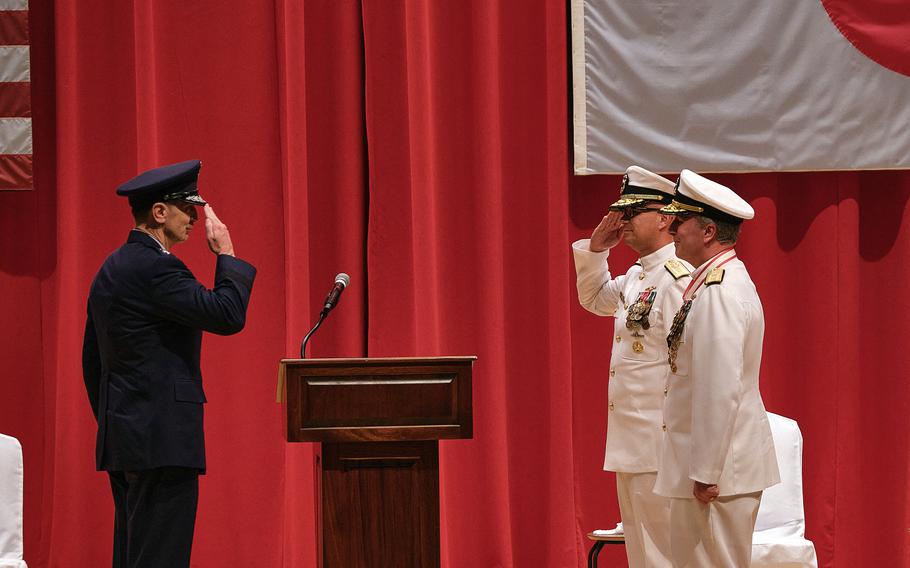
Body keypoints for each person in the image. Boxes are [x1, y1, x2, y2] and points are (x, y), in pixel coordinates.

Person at [82, 159, 257, 568]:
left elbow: (93, 361)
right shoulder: (157, 267)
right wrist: (226, 255)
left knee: (135, 554)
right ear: (159, 212)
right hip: (161, 441)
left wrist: (118, 420)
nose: (196, 218)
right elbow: (226, 315)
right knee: (161, 557)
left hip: (128, 439)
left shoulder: (113, 267)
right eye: (187, 207)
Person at [654, 169, 779, 567]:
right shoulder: (710, 285)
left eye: (680, 221)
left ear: (708, 232)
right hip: (713, 467)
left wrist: (706, 470)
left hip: (717, 473)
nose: (672, 230)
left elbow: (718, 387)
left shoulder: (720, 293)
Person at [573, 166, 692, 567]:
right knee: (643, 555)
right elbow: (593, 299)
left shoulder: (679, 278)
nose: (621, 222)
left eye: (632, 212)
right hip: (632, 441)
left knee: (664, 554)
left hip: (661, 441)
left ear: (664, 217)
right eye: (620, 212)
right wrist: (595, 250)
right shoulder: (635, 277)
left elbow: (688, 363)